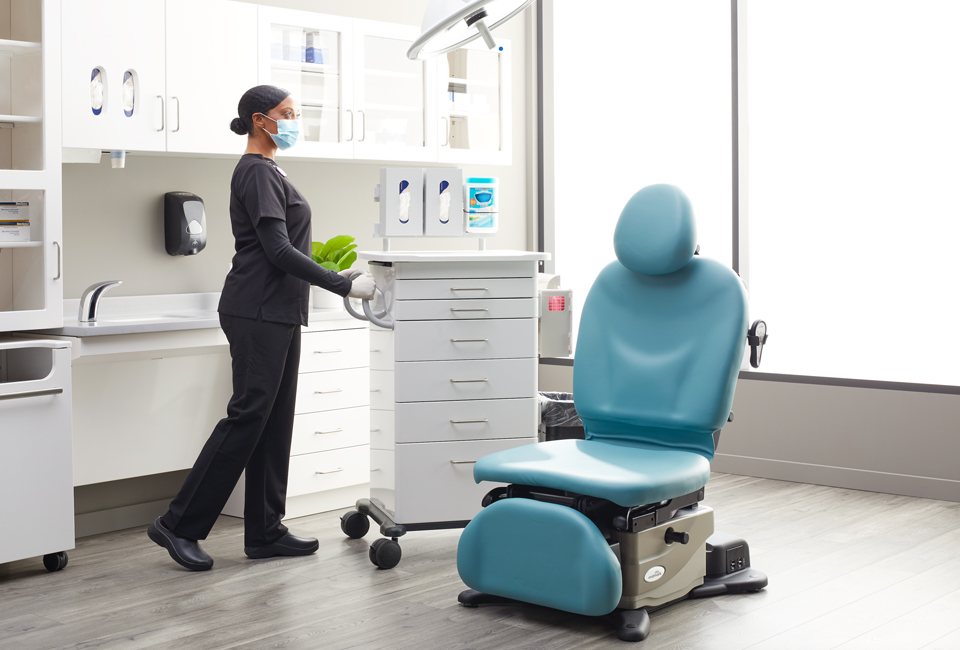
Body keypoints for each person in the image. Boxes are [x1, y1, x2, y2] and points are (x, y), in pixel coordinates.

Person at [147, 85, 376, 571]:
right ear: (260, 119)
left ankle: (265, 530)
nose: (295, 121)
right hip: (256, 310)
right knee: (248, 416)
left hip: (278, 310)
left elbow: (286, 248)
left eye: (297, 113)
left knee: (275, 420)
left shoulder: (271, 170)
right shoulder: (254, 172)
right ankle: (178, 523)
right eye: (287, 114)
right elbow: (277, 250)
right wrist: (342, 284)